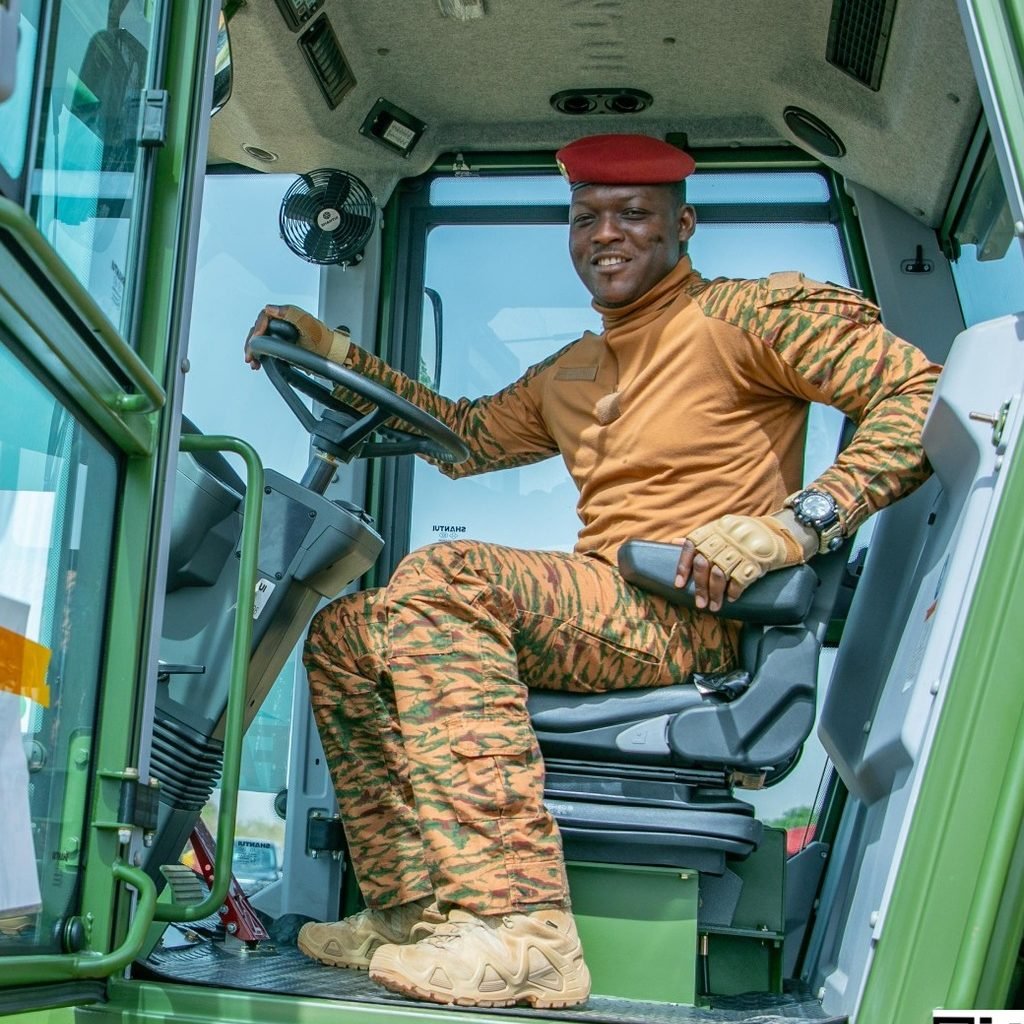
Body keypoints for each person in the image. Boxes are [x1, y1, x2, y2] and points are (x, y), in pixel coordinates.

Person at [244, 133, 940, 1008]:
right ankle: (413, 912)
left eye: (632, 215)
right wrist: (338, 356)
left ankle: (522, 929)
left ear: (682, 225)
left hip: (683, 609)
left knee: (448, 576)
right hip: (600, 610)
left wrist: (795, 525)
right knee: (347, 633)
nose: (604, 235)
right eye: (585, 218)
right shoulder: (571, 367)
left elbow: (920, 396)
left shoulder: (747, 316)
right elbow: (461, 434)